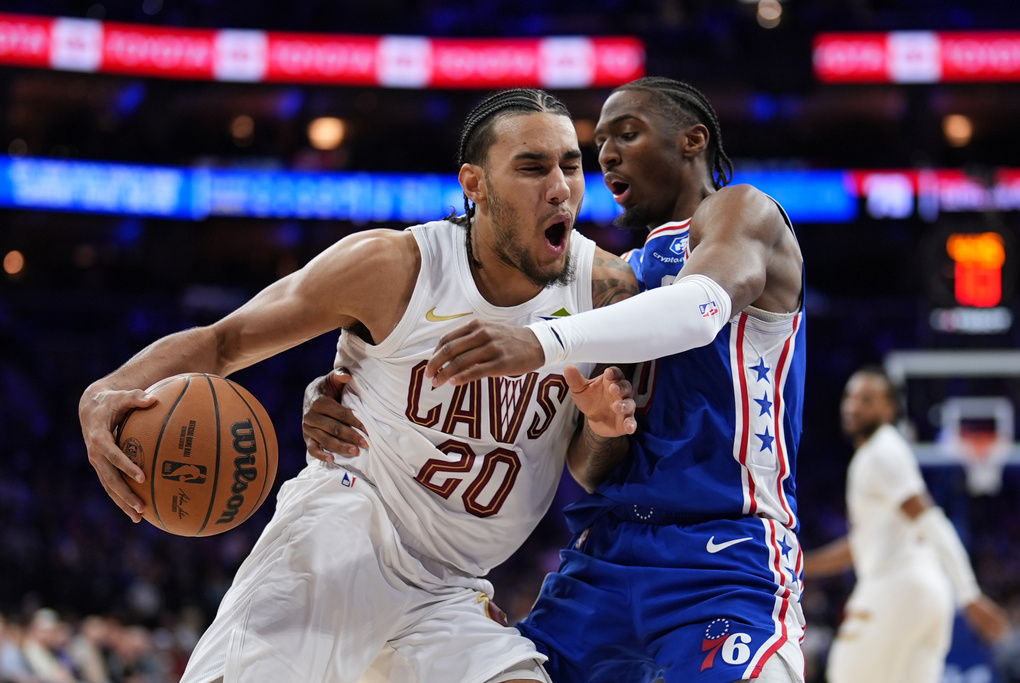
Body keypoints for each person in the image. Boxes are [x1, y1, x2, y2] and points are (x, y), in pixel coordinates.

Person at [78, 88, 639, 683]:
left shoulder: (604, 290)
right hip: (345, 530)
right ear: (474, 184)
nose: (560, 187)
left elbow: (588, 467)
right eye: (532, 167)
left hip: (450, 588)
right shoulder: (394, 267)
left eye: (571, 165)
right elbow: (226, 341)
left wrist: (605, 429)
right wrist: (101, 394)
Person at [315, 75, 808, 682]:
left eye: (627, 134)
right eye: (599, 143)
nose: (607, 155)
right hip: (605, 556)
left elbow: (699, 311)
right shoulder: (612, 279)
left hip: (721, 556)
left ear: (692, 141)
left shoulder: (741, 213)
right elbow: (587, 466)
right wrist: (344, 386)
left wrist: (538, 341)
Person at [802, 365, 1009, 683]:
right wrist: (803, 564)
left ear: (889, 408)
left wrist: (969, 594)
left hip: (894, 589)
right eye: (850, 397)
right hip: (928, 596)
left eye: (867, 398)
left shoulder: (880, 451)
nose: (853, 405)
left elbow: (931, 520)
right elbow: (863, 544)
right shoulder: (886, 451)